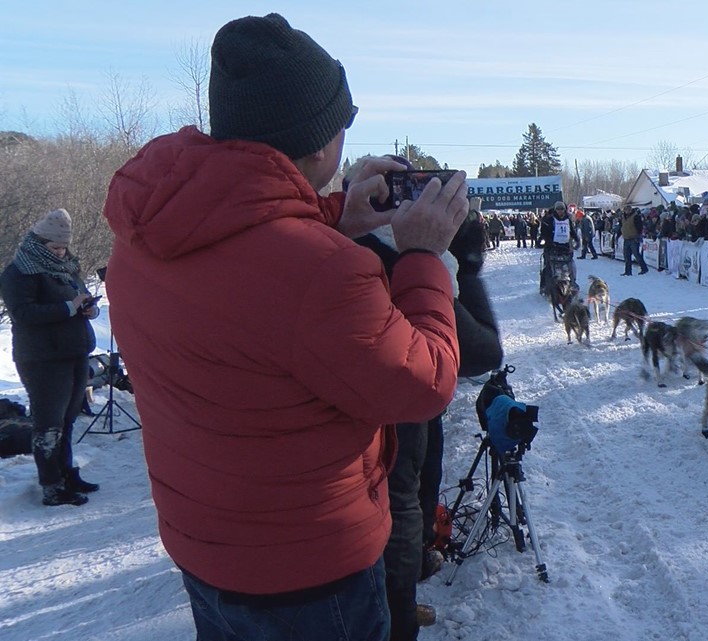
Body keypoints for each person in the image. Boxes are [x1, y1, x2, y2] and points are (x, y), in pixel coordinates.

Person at [101, 14, 469, 641]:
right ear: (320, 142)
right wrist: (422, 256)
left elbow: (251, 273)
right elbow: (425, 382)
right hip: (309, 576)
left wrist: (333, 215)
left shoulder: (142, 238)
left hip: (206, 549)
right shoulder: (326, 276)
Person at [347, 170, 503, 640]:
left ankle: (403, 581)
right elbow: (482, 352)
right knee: (402, 500)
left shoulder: (322, 241)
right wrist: (461, 262)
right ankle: (399, 608)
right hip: (393, 411)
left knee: (415, 487)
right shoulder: (399, 254)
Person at [0, 208, 100, 507]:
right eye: (54, 247)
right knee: (49, 423)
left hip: (74, 352)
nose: (60, 252)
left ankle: (68, 473)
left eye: (63, 247)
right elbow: (23, 313)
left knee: (68, 419)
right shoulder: (19, 272)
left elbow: (78, 296)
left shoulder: (66, 267)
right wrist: (69, 308)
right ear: (38, 242)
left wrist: (88, 309)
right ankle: (51, 486)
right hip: (43, 359)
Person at [540, 201, 579, 286]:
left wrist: (577, 240)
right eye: (558, 209)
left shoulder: (568, 219)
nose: (560, 211)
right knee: (548, 267)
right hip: (552, 247)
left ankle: (573, 283)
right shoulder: (550, 219)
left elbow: (572, 231)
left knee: (571, 265)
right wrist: (545, 241)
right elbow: (544, 233)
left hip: (565, 248)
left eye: (562, 209)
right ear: (555, 210)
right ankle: (545, 285)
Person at [620, 206, 649, 275]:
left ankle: (644, 268)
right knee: (626, 256)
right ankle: (628, 271)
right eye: (625, 210)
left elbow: (639, 227)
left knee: (636, 254)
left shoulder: (636, 217)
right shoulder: (623, 217)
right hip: (626, 238)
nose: (626, 211)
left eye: (628, 210)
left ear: (630, 210)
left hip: (634, 238)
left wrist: (638, 236)